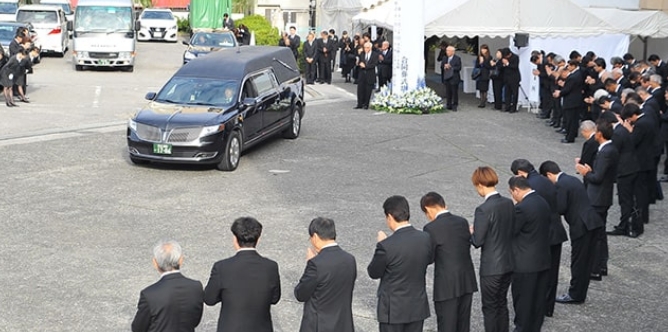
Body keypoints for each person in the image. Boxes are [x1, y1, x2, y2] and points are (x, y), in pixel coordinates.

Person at [510, 159, 568, 318]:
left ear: (521, 173)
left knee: (537, 276)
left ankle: (536, 309)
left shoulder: (530, 188)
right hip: (556, 230)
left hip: (542, 235)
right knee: (551, 273)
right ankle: (548, 307)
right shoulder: (545, 180)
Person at [539, 161, 603, 304]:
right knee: (586, 262)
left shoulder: (561, 184)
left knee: (579, 262)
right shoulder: (571, 179)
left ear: (548, 175)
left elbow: (561, 207)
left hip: (581, 226)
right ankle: (580, 293)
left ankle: (574, 294)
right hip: (591, 221)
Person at [204, 217, 281, 332]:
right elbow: (275, 298)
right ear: (258, 239)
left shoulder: (222, 267)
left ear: (235, 239)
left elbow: (209, 299)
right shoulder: (271, 267)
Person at [367, 195, 431, 332]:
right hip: (417, 307)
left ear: (389, 217)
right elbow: (429, 259)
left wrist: (380, 243)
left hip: (393, 310)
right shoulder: (425, 238)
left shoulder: (386, 246)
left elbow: (374, 272)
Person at [421, 192, 478, 332]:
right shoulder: (462, 221)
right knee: (463, 324)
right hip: (466, 281)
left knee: (447, 325)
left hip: (446, 285)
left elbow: (429, 258)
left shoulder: (431, 228)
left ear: (428, 208)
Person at [469, 166, 514, 332]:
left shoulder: (483, 209)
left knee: (489, 307)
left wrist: (470, 232)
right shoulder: (508, 203)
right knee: (502, 304)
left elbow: (477, 241)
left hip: (491, 267)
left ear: (480, 184)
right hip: (508, 262)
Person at [294, 217, 357, 332]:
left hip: (319, 326)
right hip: (343, 325)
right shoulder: (350, 259)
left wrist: (309, 263)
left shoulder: (316, 264)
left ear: (316, 237)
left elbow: (301, 294)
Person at [575, 120, 619, 280]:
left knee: (595, 234)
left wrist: (585, 172)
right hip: (602, 196)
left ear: (599, 134)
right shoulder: (608, 149)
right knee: (599, 233)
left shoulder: (606, 151)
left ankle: (595, 268)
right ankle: (600, 265)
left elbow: (598, 177)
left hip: (598, 197)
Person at [507, 176, 551, 332]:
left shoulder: (522, 208)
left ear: (516, 190)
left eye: (512, 193)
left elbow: (511, 231)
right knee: (538, 301)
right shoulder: (542, 202)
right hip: (543, 260)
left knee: (523, 301)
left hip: (525, 263)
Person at [131, 240, 204, 332]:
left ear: (155, 263)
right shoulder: (195, 287)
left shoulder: (149, 294)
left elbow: (138, 328)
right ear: (181, 260)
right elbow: (195, 320)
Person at [620, 103, 657, 228]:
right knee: (643, 189)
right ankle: (643, 215)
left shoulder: (640, 124)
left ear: (634, 115)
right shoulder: (648, 117)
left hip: (641, 161)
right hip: (648, 158)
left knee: (640, 191)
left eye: (630, 118)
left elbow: (633, 141)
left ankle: (641, 216)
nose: (629, 121)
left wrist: (629, 130)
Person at [555, 60, 585, 143]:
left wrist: (560, 93)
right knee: (574, 119)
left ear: (573, 66)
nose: (568, 67)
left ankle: (569, 137)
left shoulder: (573, 77)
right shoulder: (578, 74)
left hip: (571, 101)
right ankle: (573, 133)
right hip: (576, 100)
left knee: (570, 120)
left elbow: (568, 89)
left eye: (569, 66)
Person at [354, 42, 378, 110]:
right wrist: (359, 64)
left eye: (367, 47)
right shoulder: (362, 53)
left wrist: (366, 66)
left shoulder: (375, 55)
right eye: (364, 47)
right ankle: (359, 104)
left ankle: (366, 104)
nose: (365, 49)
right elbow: (360, 61)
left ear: (370, 48)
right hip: (362, 74)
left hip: (370, 74)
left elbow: (374, 64)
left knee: (368, 90)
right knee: (360, 89)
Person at [577, 120, 599, 188]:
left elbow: (586, 158)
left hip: (590, 170)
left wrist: (580, 163)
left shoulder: (589, 143)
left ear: (585, 130)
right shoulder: (598, 138)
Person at [441, 46, 462, 111]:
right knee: (448, 92)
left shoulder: (457, 58)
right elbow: (441, 66)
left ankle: (455, 105)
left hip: (454, 77)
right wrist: (444, 67)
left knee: (454, 92)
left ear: (453, 52)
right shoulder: (445, 58)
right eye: (446, 50)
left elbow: (459, 68)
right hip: (447, 77)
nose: (447, 52)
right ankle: (448, 104)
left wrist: (451, 67)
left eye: (448, 51)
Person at [501, 47, 520, 113]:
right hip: (507, 78)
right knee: (507, 93)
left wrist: (507, 64)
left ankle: (513, 108)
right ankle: (507, 106)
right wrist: (503, 65)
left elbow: (515, 67)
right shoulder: (504, 58)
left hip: (514, 78)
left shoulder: (515, 57)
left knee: (514, 94)